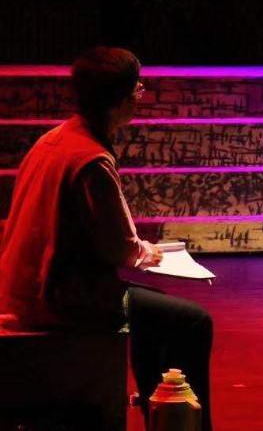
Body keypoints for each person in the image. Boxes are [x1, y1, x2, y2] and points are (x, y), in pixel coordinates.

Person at [0, 47, 215, 429]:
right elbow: (121, 249)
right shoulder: (91, 160)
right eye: (138, 89)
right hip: (59, 300)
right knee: (192, 320)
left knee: (153, 311)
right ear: (122, 100)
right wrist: (149, 252)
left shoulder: (52, 140)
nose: (140, 95)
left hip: (22, 287)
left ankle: (157, 414)